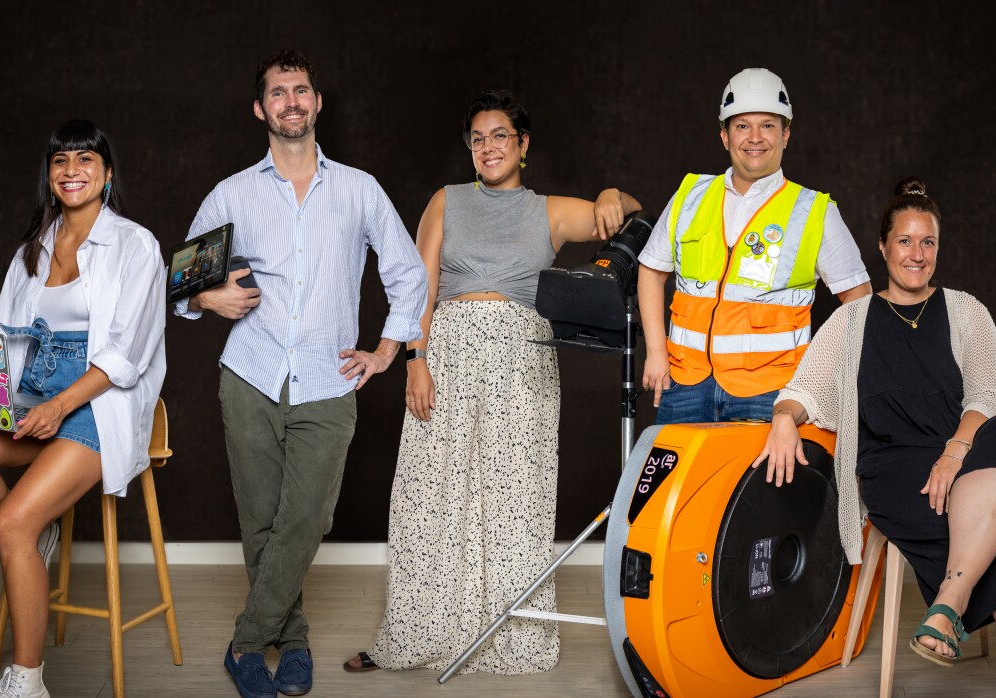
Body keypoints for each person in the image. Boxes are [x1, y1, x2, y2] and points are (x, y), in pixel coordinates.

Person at [344, 89, 641, 676]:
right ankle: (414, 633)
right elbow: (418, 288)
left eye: (500, 136)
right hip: (447, 353)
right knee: (426, 498)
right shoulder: (447, 201)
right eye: (478, 139)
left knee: (515, 499)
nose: (488, 148)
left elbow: (625, 209)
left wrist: (612, 195)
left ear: (523, 144)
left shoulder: (549, 210)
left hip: (521, 360)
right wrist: (415, 359)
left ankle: (513, 638)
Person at [754, 177, 996, 697]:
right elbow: (803, 390)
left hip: (970, 457)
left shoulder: (967, 311)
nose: (917, 254)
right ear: (882, 246)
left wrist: (954, 453)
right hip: (894, 472)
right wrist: (784, 419)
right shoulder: (850, 321)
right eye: (905, 240)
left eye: (928, 242)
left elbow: (989, 394)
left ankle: (948, 604)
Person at [174, 50, 427, 698]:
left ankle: (245, 643)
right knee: (260, 521)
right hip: (251, 375)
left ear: (317, 103)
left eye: (301, 90)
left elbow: (409, 275)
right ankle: (295, 643)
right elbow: (182, 284)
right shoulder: (233, 192)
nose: (291, 100)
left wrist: (386, 351)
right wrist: (210, 298)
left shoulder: (358, 189)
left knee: (306, 519)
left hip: (328, 378)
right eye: (278, 92)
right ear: (261, 108)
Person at [0, 119, 167, 698]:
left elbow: (127, 355)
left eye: (85, 159)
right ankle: (35, 531)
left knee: (9, 522)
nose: (72, 170)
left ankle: (26, 680)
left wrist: (60, 406)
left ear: (106, 175)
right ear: (49, 176)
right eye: (60, 161)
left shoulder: (136, 245)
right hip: (29, 400)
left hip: (94, 404)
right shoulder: (31, 250)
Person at [637, 67, 872, 423]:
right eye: (742, 126)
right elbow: (651, 271)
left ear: (786, 135)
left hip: (772, 393)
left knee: (760, 482)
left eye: (768, 125)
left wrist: (817, 381)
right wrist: (655, 352)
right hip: (684, 386)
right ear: (724, 136)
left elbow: (859, 298)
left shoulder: (813, 211)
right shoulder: (690, 195)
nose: (755, 137)